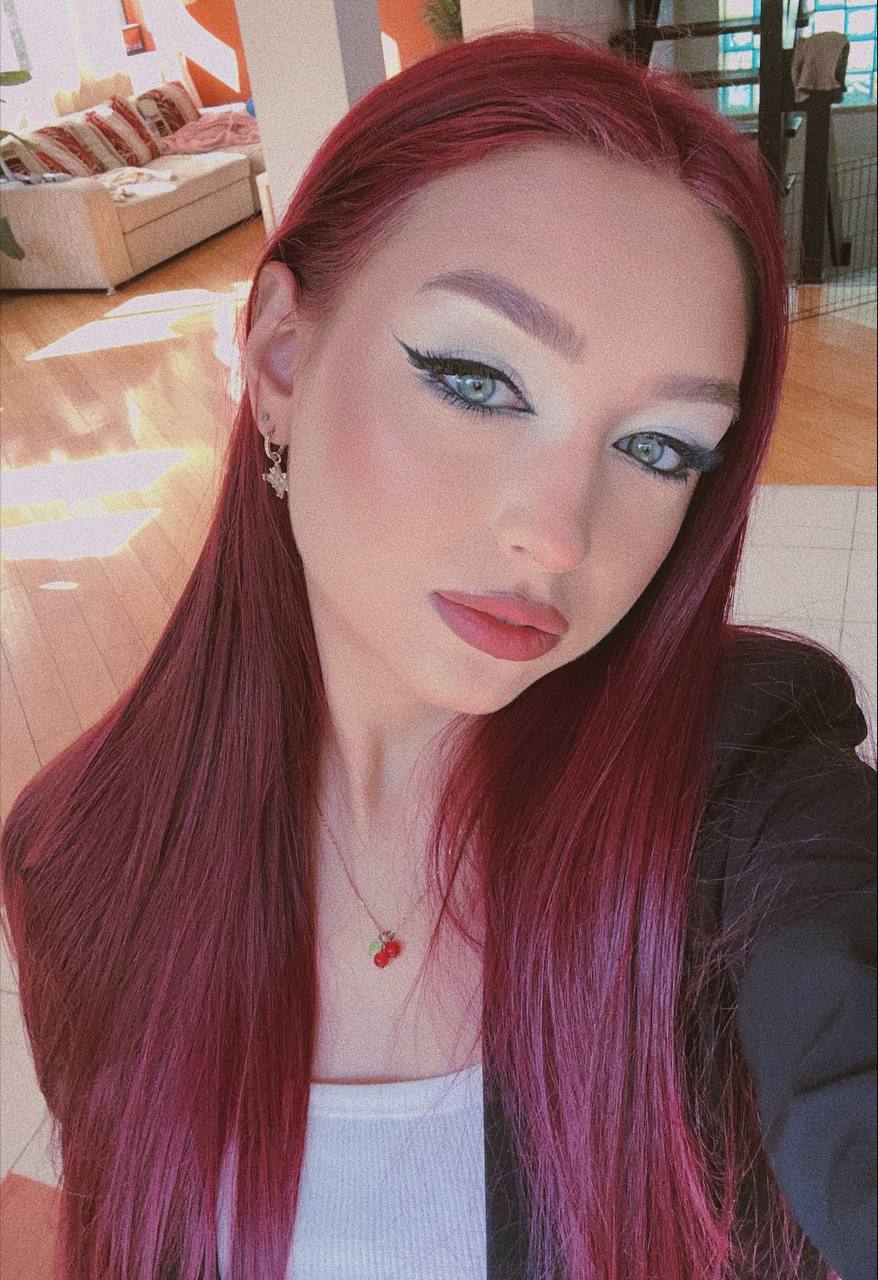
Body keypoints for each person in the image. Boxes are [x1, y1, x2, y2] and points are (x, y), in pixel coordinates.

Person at [1, 26, 875, 1280]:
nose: (556, 534)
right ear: (280, 355)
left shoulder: (742, 803)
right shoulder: (82, 863)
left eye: (657, 447)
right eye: (474, 378)